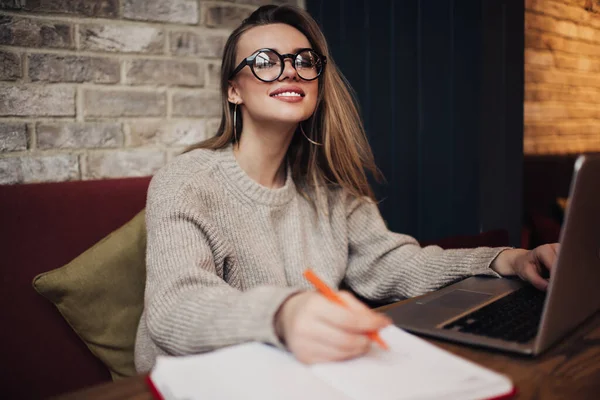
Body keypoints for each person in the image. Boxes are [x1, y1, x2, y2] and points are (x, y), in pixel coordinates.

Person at [134, 4, 558, 372]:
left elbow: (394, 265)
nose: (290, 70)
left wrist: (506, 259)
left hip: (294, 370)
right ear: (233, 90)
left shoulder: (329, 190)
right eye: (265, 61)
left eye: (304, 60)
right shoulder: (187, 180)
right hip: (195, 380)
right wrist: (282, 313)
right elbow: (175, 308)